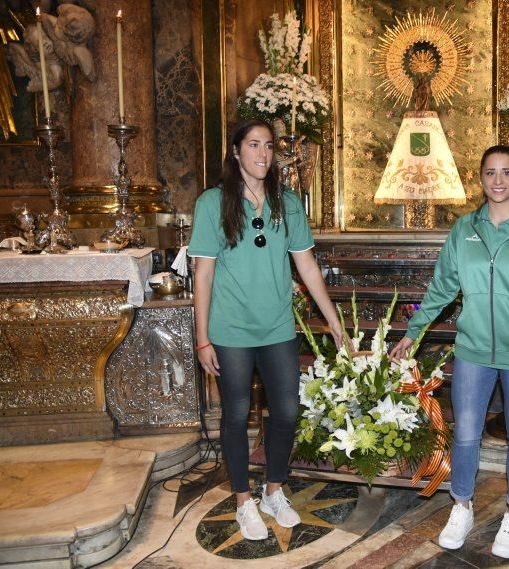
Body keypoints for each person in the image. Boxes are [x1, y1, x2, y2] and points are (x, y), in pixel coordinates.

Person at [390, 144, 509, 558]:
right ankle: (462, 506)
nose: (499, 180)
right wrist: (411, 334)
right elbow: (441, 289)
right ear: (481, 178)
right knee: (466, 432)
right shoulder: (464, 230)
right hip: (472, 350)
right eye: (491, 172)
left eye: (507, 172)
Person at [189, 119, 343, 541]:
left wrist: (332, 319)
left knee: (288, 412)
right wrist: (202, 338)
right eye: (253, 145)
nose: (262, 154)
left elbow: (306, 265)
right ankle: (243, 500)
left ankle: (274, 489)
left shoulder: (288, 202)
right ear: (236, 151)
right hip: (230, 329)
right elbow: (203, 274)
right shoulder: (212, 203)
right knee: (236, 415)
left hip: (277, 327)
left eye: (269, 146)